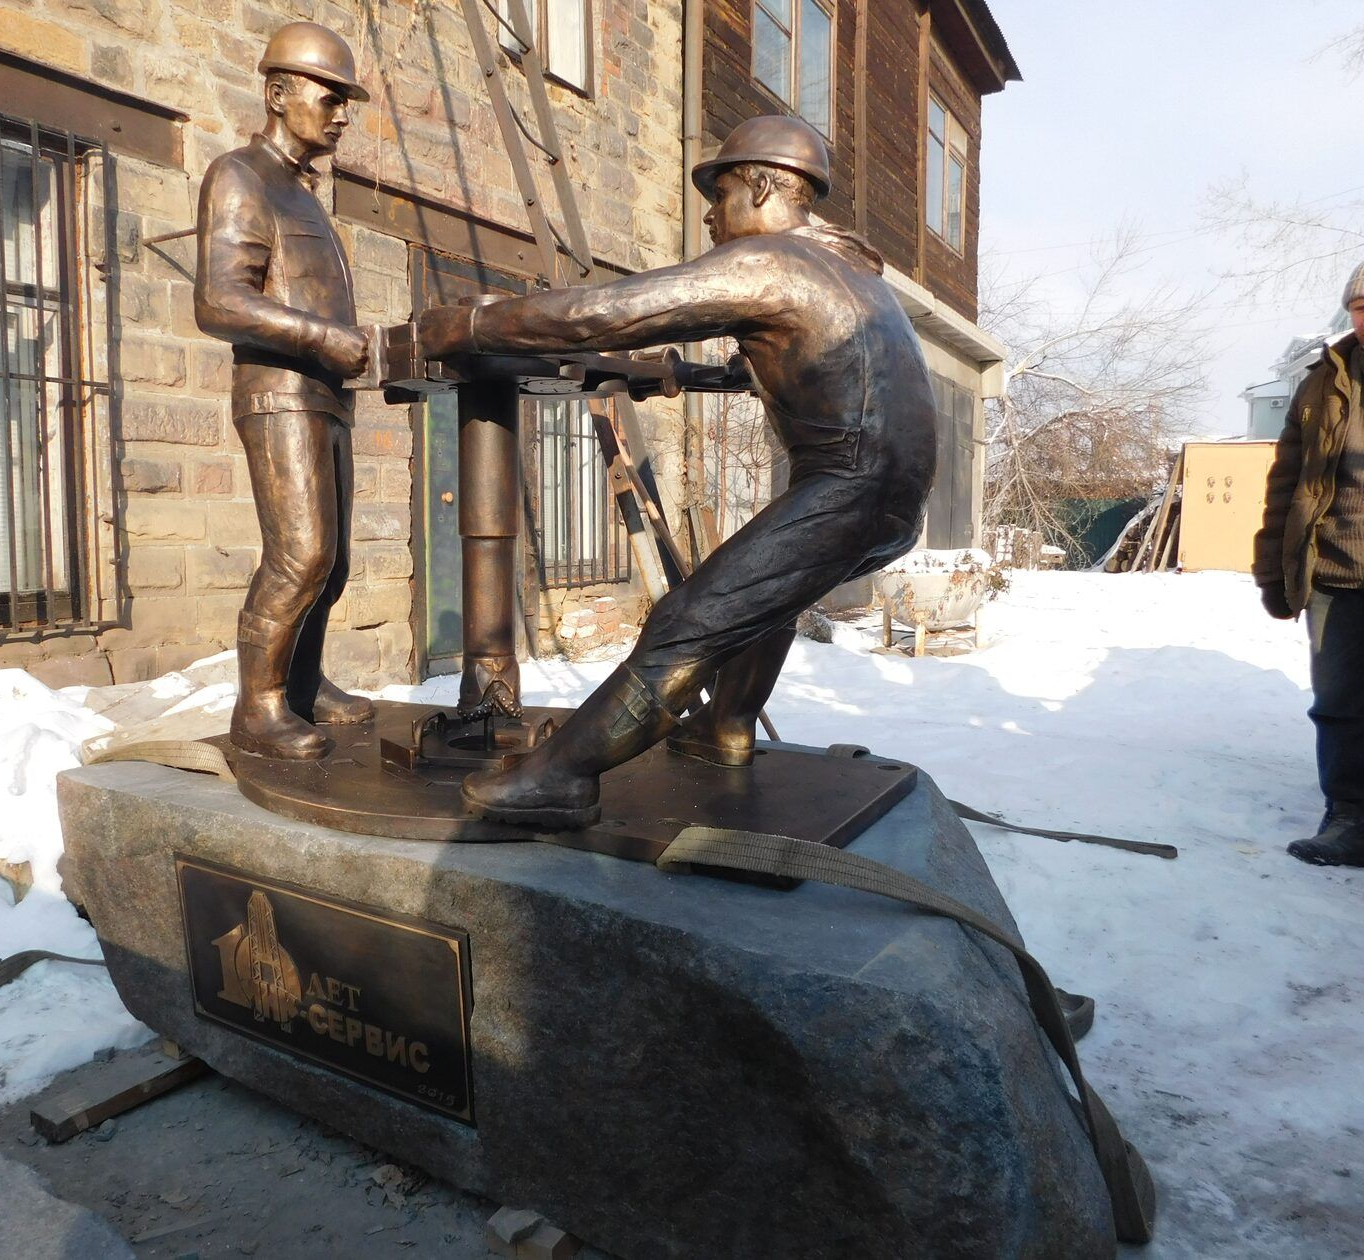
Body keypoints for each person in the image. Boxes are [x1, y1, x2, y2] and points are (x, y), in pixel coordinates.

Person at [415, 115, 937, 828]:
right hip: (897, 499)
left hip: (849, 483)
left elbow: (606, 314)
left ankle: (562, 778)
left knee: (690, 621)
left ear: (762, 187)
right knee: (767, 597)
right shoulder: (855, 273)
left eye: (719, 196)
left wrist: (472, 326)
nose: (711, 217)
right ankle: (725, 726)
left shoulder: (771, 261)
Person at [194, 23, 375, 760]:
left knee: (333, 563)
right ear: (278, 93)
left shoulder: (302, 194)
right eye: (329, 97)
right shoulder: (240, 176)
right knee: (300, 554)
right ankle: (259, 707)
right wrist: (324, 338)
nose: (341, 114)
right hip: (279, 394)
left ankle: (302, 682)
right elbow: (219, 300)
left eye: (344, 101)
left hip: (327, 396)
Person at [1255, 261, 1364, 865]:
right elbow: (1287, 482)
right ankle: (1349, 816)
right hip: (1335, 571)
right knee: (1338, 703)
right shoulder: (1324, 382)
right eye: (1360, 307)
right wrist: (1273, 569)